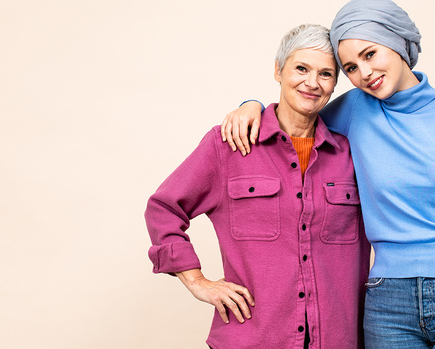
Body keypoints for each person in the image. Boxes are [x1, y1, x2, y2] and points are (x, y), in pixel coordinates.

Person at [220, 0, 435, 349]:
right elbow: (295, 116)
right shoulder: (356, 109)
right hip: (388, 302)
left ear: (398, 42)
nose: (364, 73)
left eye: (370, 54)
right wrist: (251, 105)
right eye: (351, 68)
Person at [145, 24, 371, 348]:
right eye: (301, 68)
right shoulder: (230, 146)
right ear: (278, 70)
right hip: (252, 339)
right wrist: (195, 280)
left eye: (325, 74)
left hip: (337, 339)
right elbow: (163, 209)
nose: (312, 82)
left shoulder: (352, 154)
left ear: (335, 83)